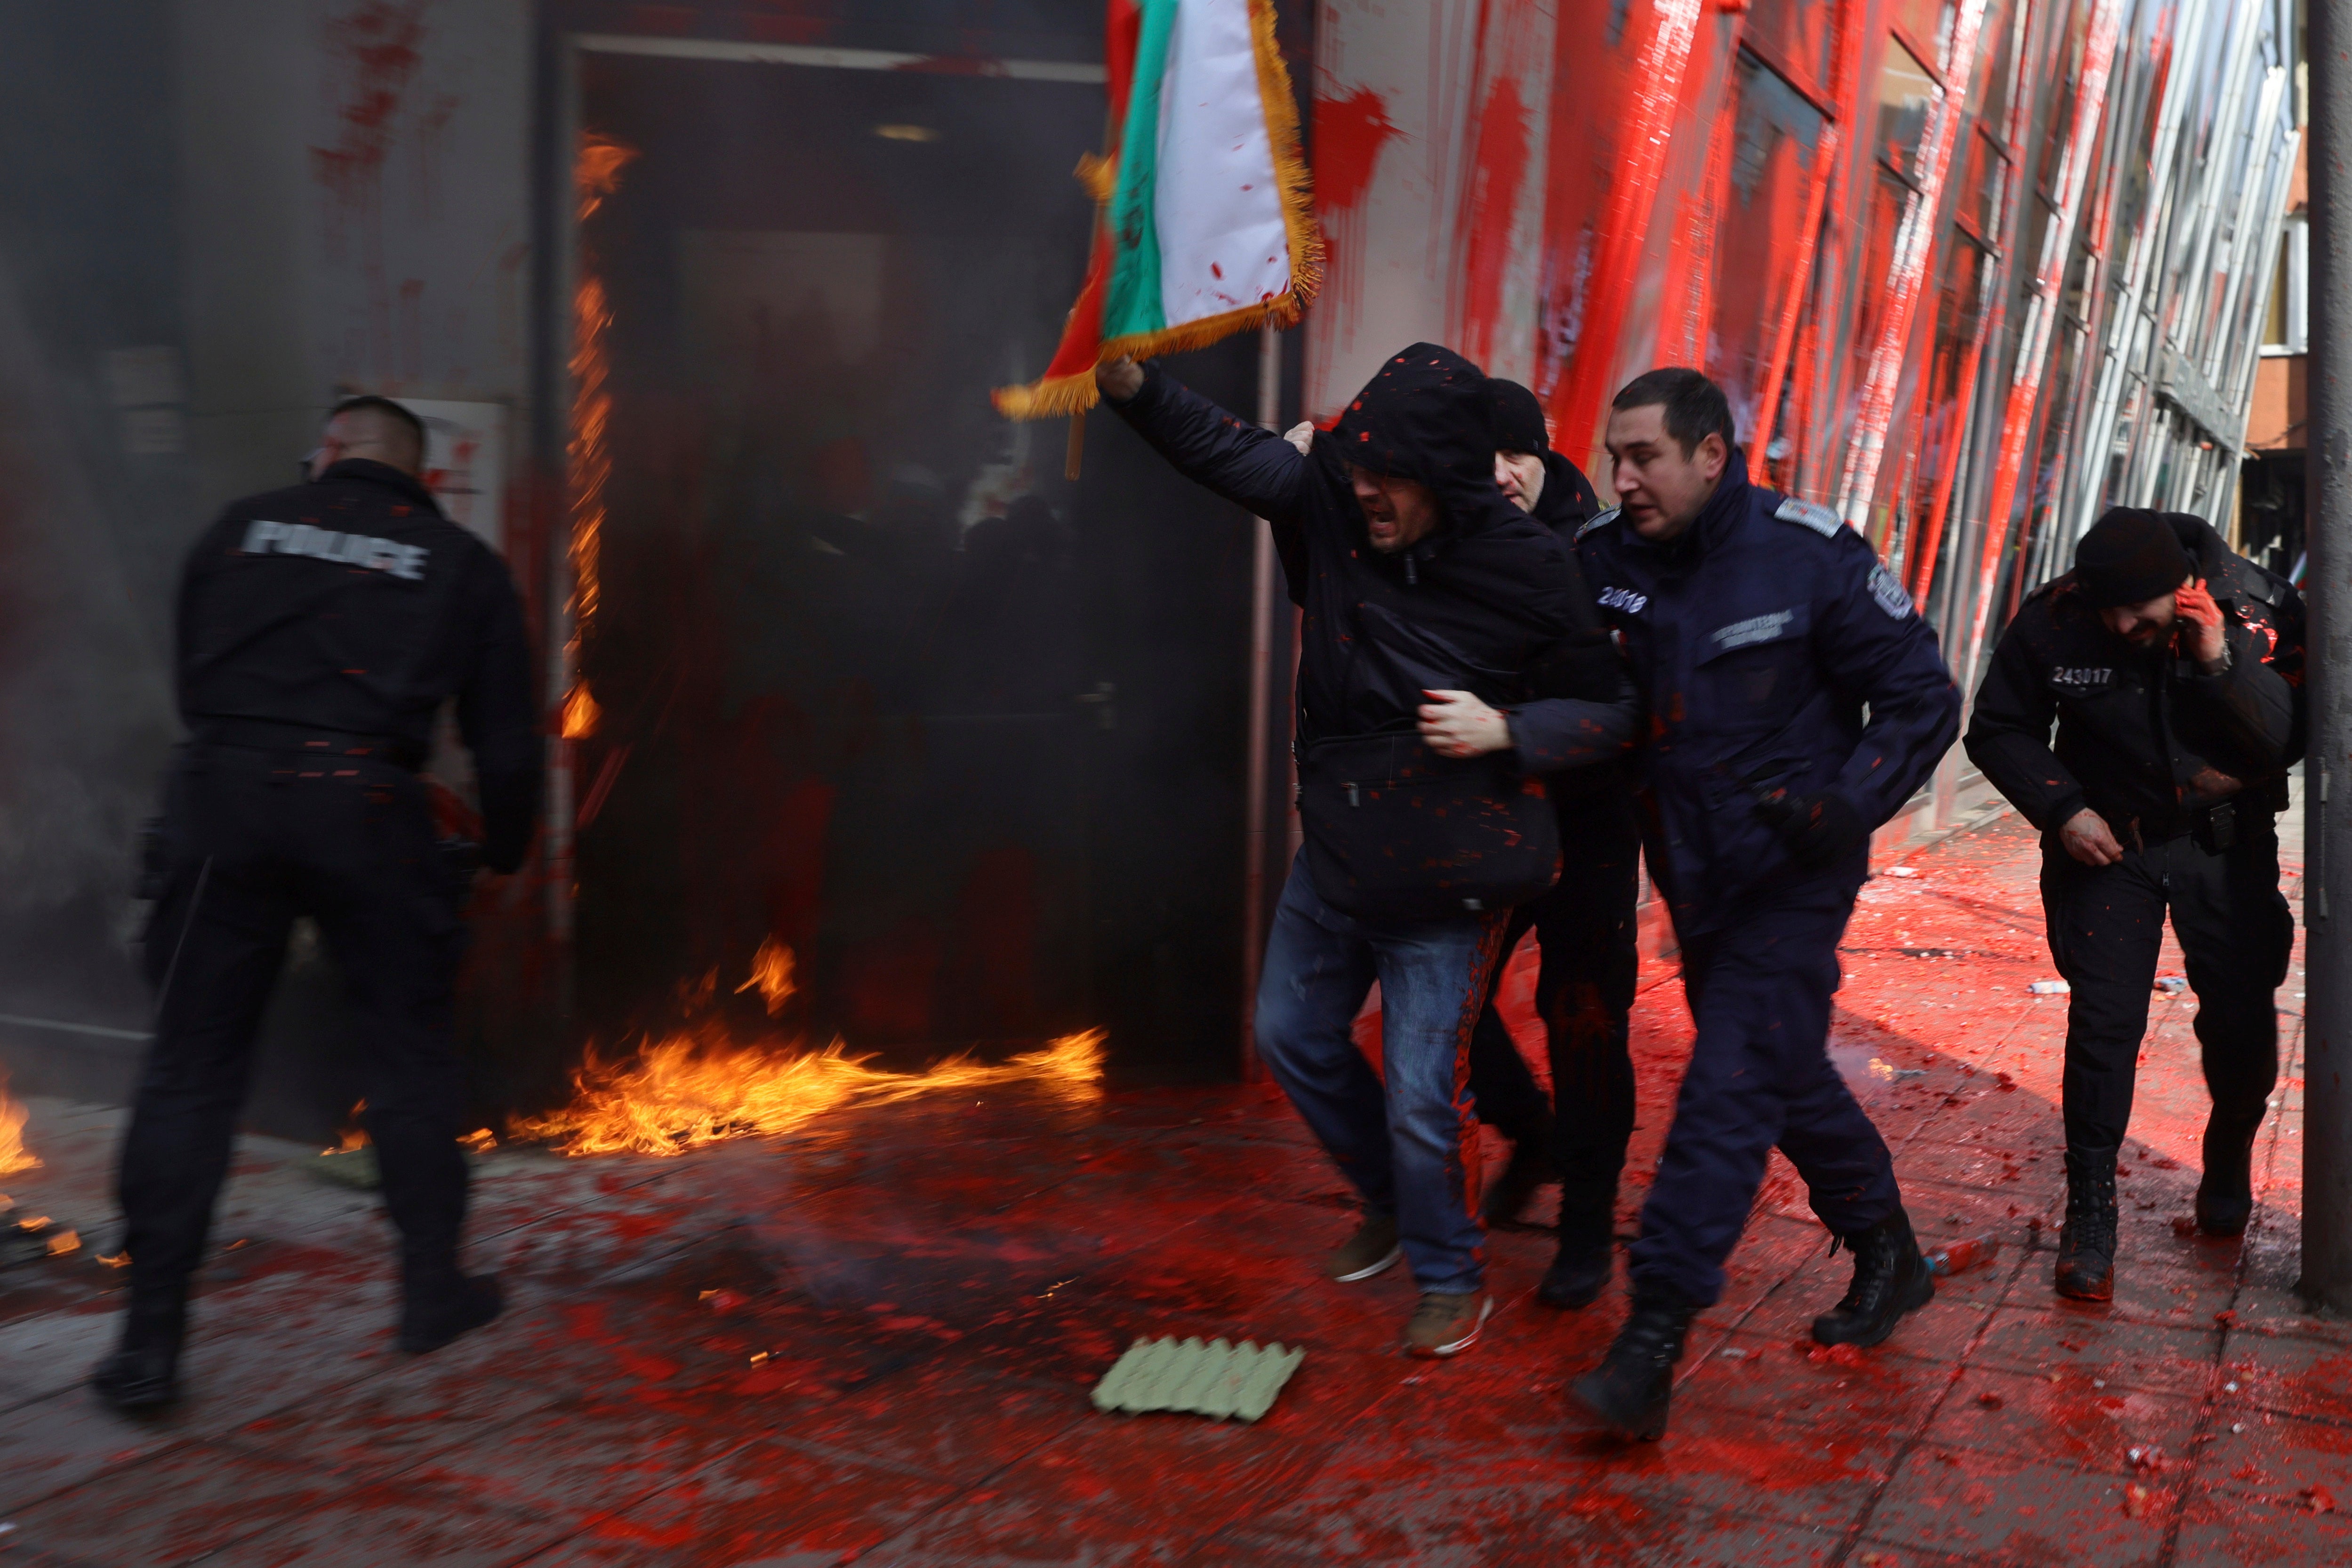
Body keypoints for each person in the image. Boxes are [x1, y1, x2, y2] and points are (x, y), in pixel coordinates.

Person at [1100, 345, 1637, 1357]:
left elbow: (1610, 713)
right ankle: (1397, 1200)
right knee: (1291, 1033)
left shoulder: (1532, 567)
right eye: (1353, 467)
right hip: (1345, 840)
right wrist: (1135, 389)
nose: (1360, 489)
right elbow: (1231, 454)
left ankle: (1449, 1275)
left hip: (1458, 864)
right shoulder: (1337, 509)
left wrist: (1510, 730)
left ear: (1441, 473)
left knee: (1424, 1093)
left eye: (1384, 474)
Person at [92, 396, 543, 1411]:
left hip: (222, 799)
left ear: (327, 455)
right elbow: (505, 742)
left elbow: (190, 676)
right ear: (420, 476)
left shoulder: (234, 528)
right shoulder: (457, 562)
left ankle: (149, 1346)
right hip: (369, 811)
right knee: (407, 1054)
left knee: (190, 1070)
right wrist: (502, 849)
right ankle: (431, 1290)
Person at [1570, 369, 1960, 1439]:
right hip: (1694, 876)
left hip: (1796, 870)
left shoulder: (1807, 553)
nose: (1625, 477)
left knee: (1729, 1080)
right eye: (1615, 457)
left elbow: (1925, 695)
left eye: (1644, 455)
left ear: (1710, 453)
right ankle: (1889, 1250)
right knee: (1776, 1068)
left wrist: (1851, 803)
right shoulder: (1602, 563)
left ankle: (1651, 1338)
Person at [1964, 507, 2303, 1301]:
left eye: (2138, 612)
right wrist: (2060, 807)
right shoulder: (2057, 616)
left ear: (2185, 590)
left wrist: (2220, 661)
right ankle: (2090, 1214)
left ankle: (2225, 1163)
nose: (2119, 626)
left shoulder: (2256, 609)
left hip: (2225, 846)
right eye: (2105, 608)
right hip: (2107, 841)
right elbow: (1999, 727)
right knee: (2102, 1024)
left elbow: (2288, 738)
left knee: (2238, 1016)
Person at [1411, 380, 1645, 1313]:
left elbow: (1628, 713)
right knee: (1439, 1008)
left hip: (1587, 824)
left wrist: (1512, 727)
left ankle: (1586, 1226)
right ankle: (1530, 1129)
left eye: (1518, 452)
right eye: (1482, 458)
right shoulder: (1448, 541)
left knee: (1585, 1021)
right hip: (1485, 822)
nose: (1501, 474)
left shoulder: (1601, 551)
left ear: (1547, 453)